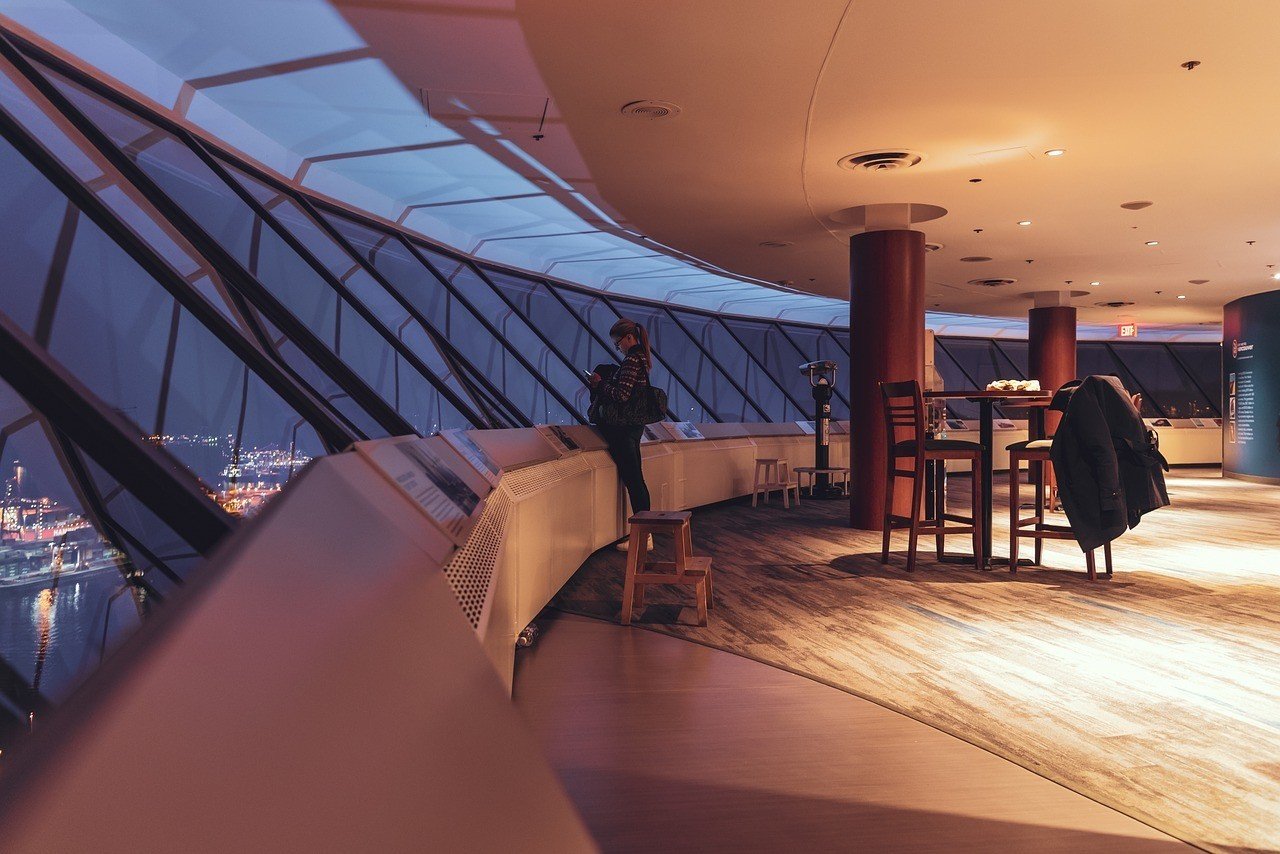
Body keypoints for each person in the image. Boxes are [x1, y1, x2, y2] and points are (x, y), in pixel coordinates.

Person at [590, 319, 653, 551]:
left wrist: (599, 384)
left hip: (624, 429)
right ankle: (645, 535)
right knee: (638, 480)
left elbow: (621, 395)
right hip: (635, 427)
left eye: (618, 344)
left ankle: (642, 538)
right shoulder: (643, 360)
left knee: (634, 482)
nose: (619, 348)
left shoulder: (631, 361)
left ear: (628, 338)